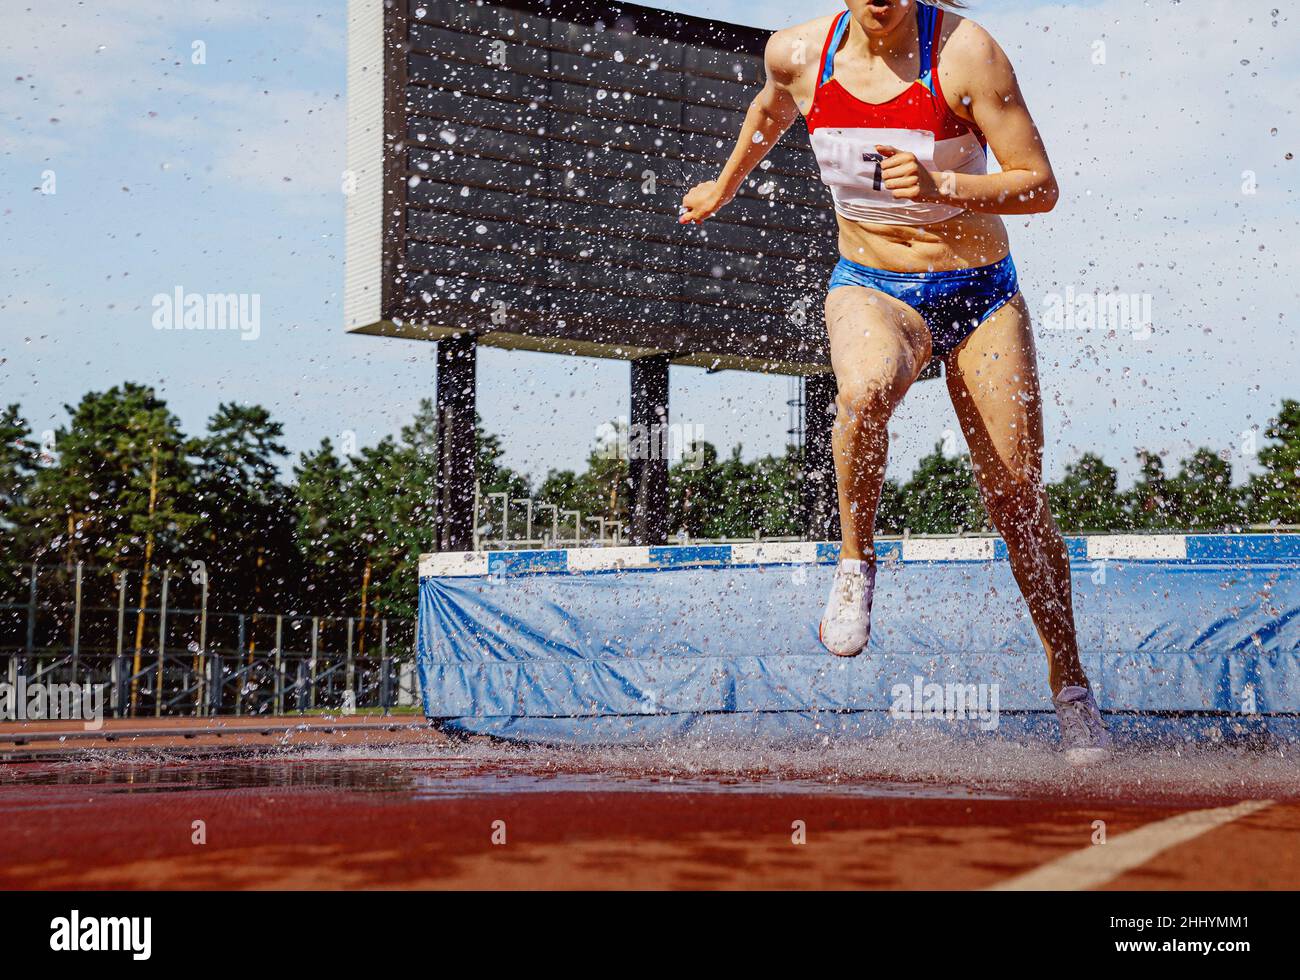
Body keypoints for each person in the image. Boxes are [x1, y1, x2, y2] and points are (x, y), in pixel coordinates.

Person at [679, 0, 1111, 763]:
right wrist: (723, 185)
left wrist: (947, 184)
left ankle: (1070, 685)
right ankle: (854, 563)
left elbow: (1039, 185)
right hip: (872, 286)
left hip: (979, 292)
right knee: (864, 391)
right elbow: (769, 110)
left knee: (1015, 496)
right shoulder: (798, 55)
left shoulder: (967, 54)